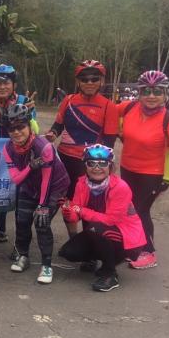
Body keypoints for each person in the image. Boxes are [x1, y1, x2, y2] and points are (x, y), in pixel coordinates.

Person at [116, 70, 169, 269]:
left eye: (157, 91)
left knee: (140, 211)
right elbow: (110, 111)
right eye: (146, 91)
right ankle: (133, 246)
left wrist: (167, 179)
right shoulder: (129, 108)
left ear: (165, 94)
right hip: (128, 168)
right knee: (127, 209)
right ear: (139, 93)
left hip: (152, 174)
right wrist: (119, 129)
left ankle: (148, 252)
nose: (151, 96)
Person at [57, 145, 147, 291]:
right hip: (99, 231)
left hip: (127, 237)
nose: (96, 168)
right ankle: (94, 259)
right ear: (85, 165)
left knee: (96, 229)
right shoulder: (81, 183)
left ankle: (110, 274)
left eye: (103, 163)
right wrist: (68, 211)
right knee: (68, 252)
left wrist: (80, 210)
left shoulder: (120, 187)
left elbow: (111, 220)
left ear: (110, 166)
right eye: (91, 163)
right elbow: (76, 213)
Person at [44, 60, 118, 237]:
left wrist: (103, 168)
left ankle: (88, 243)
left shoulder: (109, 106)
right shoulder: (69, 100)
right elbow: (58, 125)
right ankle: (73, 239)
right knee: (66, 202)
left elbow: (109, 143)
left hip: (89, 164)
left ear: (102, 81)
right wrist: (53, 134)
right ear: (78, 82)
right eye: (84, 79)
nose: (89, 82)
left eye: (94, 79)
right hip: (64, 160)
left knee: (89, 205)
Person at [3, 104, 69, 284]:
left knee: (42, 222)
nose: (16, 132)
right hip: (29, 184)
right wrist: (30, 167)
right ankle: (23, 256)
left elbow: (47, 179)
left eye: (20, 127)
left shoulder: (43, 147)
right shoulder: (8, 148)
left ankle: (47, 265)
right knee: (22, 220)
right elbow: (17, 179)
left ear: (29, 126)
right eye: (11, 129)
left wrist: (42, 206)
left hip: (54, 186)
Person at [0, 64, 38, 246]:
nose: (2, 87)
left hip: (23, 157)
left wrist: (29, 115)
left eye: (6, 83)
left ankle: (21, 241)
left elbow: (35, 131)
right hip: (0, 159)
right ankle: (0, 231)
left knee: (22, 199)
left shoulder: (25, 101)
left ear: (14, 85)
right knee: (0, 194)